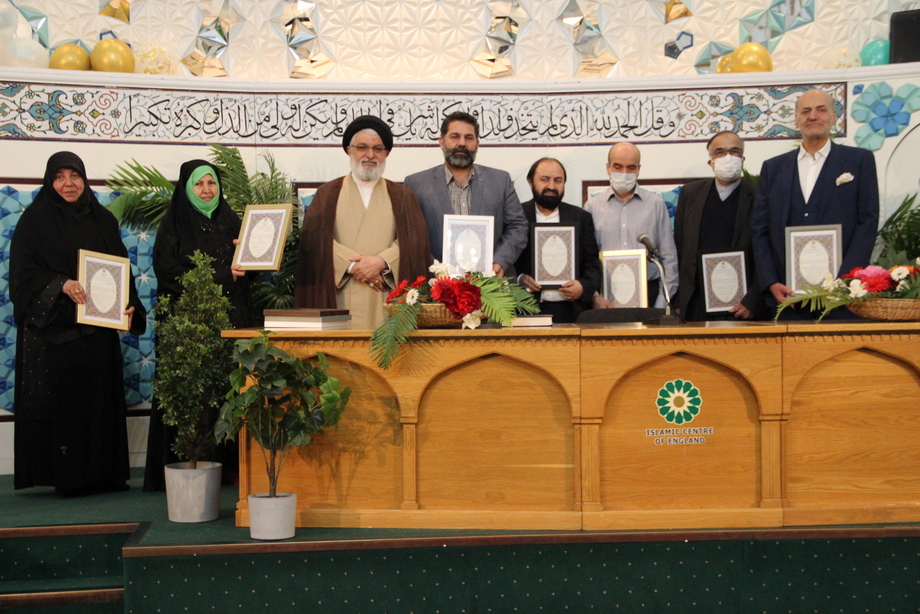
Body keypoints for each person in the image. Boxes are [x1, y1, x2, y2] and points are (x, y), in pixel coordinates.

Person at [10, 151, 146, 497]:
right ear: (49, 181)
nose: (68, 184)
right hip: (59, 335)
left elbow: (121, 270)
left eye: (75, 176)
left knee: (99, 403)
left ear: (84, 179)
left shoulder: (102, 220)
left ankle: (105, 475)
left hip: (98, 333)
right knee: (69, 409)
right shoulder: (33, 222)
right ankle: (69, 479)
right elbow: (22, 278)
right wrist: (61, 284)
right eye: (60, 177)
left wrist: (129, 310)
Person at [143, 159, 255, 492]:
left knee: (230, 392)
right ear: (186, 188)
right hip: (192, 326)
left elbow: (252, 269)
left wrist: (251, 256)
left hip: (233, 322)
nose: (206, 190)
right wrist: (224, 275)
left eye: (211, 183)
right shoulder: (173, 225)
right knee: (199, 398)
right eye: (198, 184)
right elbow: (170, 274)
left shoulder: (232, 221)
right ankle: (195, 464)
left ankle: (232, 469)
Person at [751, 88, 880, 318]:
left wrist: (845, 282)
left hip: (842, 300)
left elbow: (867, 223)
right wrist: (771, 282)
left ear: (834, 116)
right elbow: (760, 231)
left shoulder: (859, 160)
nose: (813, 116)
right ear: (797, 119)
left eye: (821, 110)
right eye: (806, 111)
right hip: (787, 298)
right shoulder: (773, 168)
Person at [294, 115, 431, 329]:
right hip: (339, 298)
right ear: (350, 150)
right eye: (362, 147)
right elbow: (315, 242)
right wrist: (351, 266)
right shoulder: (327, 194)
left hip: (387, 298)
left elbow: (415, 244)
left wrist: (382, 262)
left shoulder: (403, 196)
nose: (370, 155)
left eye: (378, 149)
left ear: (386, 154)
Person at [404, 111, 528, 277]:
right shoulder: (416, 184)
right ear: (441, 142)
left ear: (477, 144)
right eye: (454, 136)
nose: (461, 143)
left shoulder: (501, 181)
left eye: (469, 138)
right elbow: (410, 235)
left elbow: (518, 226)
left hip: (491, 286)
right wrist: (436, 269)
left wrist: (500, 261)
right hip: (436, 288)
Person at [673, 131, 767, 321]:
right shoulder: (690, 194)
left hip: (741, 306)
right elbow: (680, 250)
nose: (728, 157)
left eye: (734, 151)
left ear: (743, 158)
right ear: (711, 161)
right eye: (720, 152)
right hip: (696, 305)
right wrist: (679, 301)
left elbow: (766, 253)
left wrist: (753, 301)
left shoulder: (760, 197)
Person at [584, 142, 678, 309]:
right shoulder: (592, 207)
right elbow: (586, 259)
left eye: (631, 168)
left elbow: (668, 258)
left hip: (650, 294)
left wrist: (661, 304)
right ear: (608, 168)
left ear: (638, 169)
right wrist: (595, 298)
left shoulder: (655, 204)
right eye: (618, 167)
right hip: (606, 297)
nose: (624, 173)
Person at [514, 157, 601, 323]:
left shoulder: (581, 218)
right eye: (545, 179)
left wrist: (583, 286)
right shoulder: (517, 216)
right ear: (530, 181)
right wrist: (520, 279)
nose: (552, 187)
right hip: (527, 310)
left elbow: (593, 264)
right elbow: (507, 262)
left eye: (558, 180)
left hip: (571, 312)